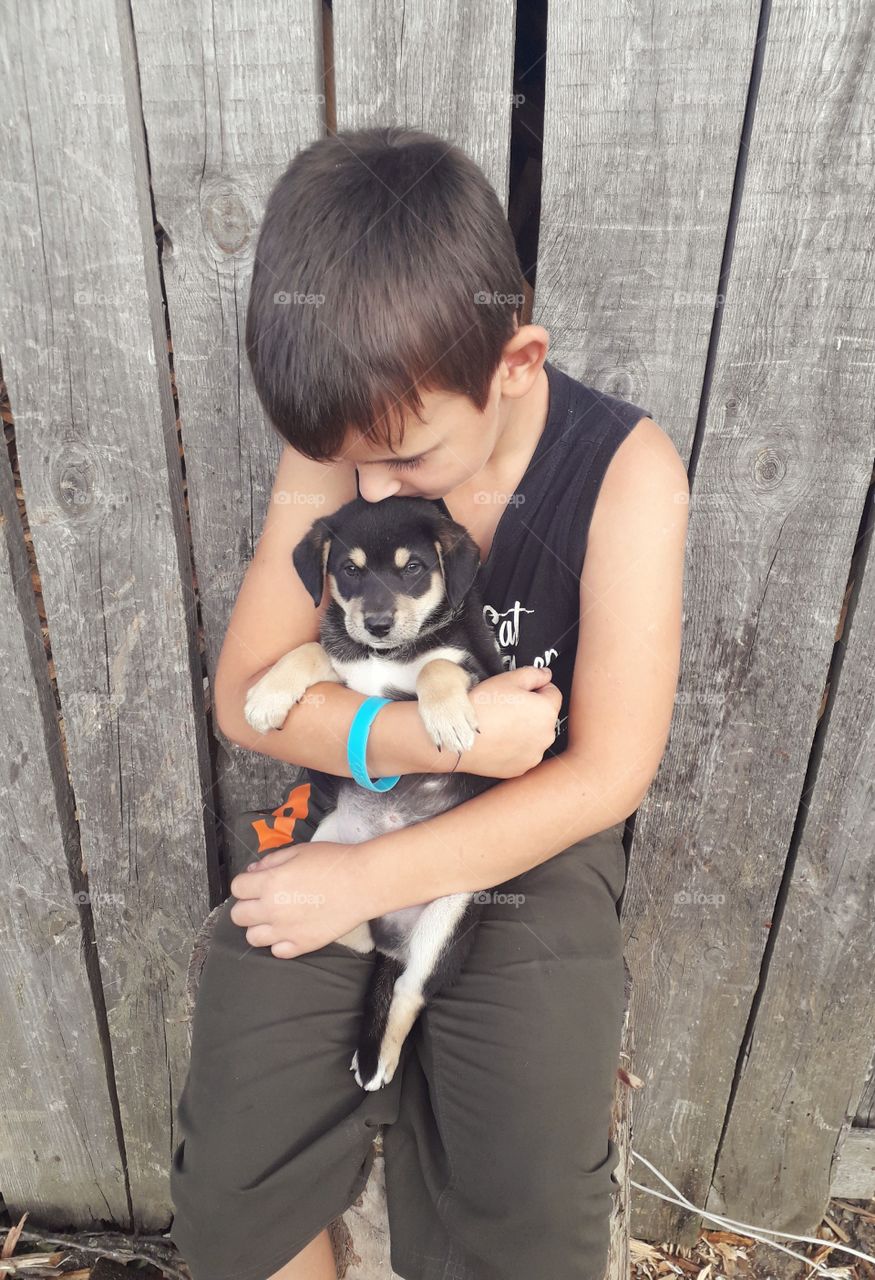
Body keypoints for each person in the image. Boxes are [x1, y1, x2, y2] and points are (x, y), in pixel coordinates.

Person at [168, 125, 688, 1280]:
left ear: (516, 361)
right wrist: (398, 747)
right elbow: (246, 696)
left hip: (533, 843)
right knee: (232, 1173)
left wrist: (375, 880)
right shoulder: (358, 432)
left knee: (526, 1188)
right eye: (349, 466)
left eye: (406, 462)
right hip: (349, 804)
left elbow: (606, 773)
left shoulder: (625, 473)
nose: (370, 489)